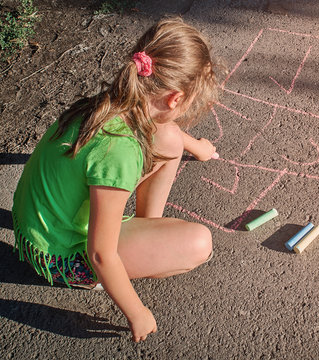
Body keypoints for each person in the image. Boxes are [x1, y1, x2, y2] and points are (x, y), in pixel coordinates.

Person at [11, 16, 221, 342]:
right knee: (199, 244)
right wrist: (137, 313)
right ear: (175, 99)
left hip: (38, 224)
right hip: (60, 255)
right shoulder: (119, 151)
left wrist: (197, 147)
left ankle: (146, 231)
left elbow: (169, 133)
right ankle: (107, 269)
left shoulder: (116, 101)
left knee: (168, 138)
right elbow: (99, 253)